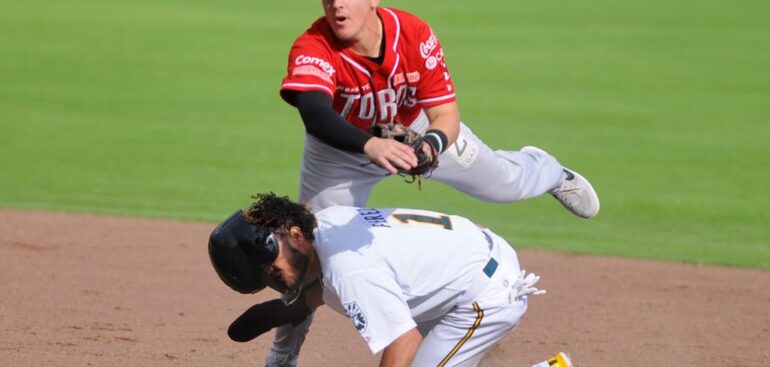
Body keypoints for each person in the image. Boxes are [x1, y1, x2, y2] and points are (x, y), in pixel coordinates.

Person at [274, 0, 600, 365]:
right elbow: (316, 115)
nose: (337, 5)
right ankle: (282, 356)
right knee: (306, 248)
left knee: (503, 183)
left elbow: (445, 115)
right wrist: (370, 143)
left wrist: (430, 146)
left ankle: (549, 170)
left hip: (415, 131)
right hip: (339, 152)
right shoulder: (312, 46)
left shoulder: (413, 33)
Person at [209, 193, 575, 367]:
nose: (277, 278)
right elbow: (329, 288)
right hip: (468, 264)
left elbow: (403, 341)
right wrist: (281, 311)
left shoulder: (348, 267)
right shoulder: (327, 224)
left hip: (486, 294)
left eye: (274, 269)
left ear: (294, 234)